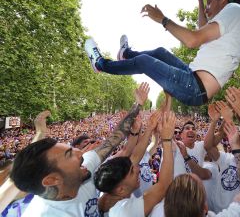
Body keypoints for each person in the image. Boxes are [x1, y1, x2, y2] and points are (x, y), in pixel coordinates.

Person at [85, 0, 240, 106]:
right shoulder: (230, 21)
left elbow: (193, 40)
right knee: (160, 52)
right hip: (192, 77)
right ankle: (125, 54)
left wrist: (162, 19)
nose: (207, 8)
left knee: (144, 61)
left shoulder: (235, 10)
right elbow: (202, 27)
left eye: (209, 2)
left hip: (195, 88)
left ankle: (101, 64)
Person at [9, 83, 149, 217]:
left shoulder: (83, 170)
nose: (79, 152)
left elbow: (113, 140)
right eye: (69, 154)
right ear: (52, 180)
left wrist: (138, 104)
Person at [94, 111, 176, 217]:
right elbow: (164, 185)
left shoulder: (110, 189)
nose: (138, 169)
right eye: (132, 172)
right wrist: (167, 140)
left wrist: (149, 128)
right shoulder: (124, 212)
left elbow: (136, 156)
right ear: (121, 189)